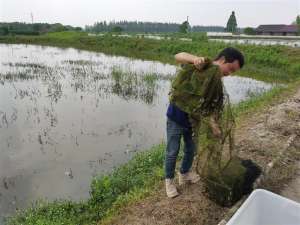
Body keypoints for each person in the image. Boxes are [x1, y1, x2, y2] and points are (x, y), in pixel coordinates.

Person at [165, 47, 244, 198]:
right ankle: (169, 180)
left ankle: (184, 173)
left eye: (234, 72)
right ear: (222, 60)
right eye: (231, 68)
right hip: (176, 117)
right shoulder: (202, 65)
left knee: (191, 149)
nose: (230, 73)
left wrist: (214, 126)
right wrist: (195, 59)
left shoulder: (217, 84)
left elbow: (210, 109)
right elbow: (178, 55)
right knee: (172, 151)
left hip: (193, 122)